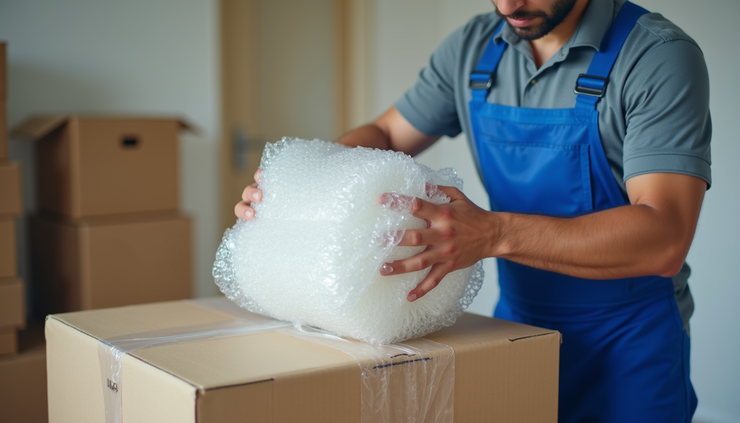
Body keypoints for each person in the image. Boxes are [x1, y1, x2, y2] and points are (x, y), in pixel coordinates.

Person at [235, 0, 711, 421]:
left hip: (630, 345)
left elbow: (663, 237)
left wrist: (493, 235)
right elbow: (384, 135)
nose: (508, 4)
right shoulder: (475, 48)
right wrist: (305, 185)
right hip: (518, 328)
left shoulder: (657, 57)